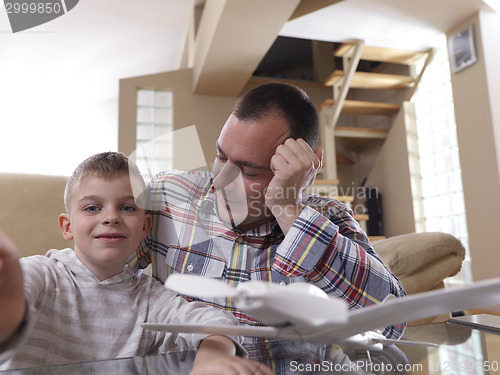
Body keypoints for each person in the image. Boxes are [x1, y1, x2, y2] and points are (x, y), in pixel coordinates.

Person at [128, 82, 406, 344]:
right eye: (221, 156)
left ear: (305, 167)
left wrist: (288, 209)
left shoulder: (329, 217)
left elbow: (392, 326)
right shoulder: (168, 195)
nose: (221, 181)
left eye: (249, 171)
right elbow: (97, 277)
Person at [0, 152, 274, 375]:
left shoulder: (149, 297)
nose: (111, 217)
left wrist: (212, 360)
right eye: (92, 208)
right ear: (67, 226)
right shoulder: (44, 274)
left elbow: (215, 321)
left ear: (145, 227)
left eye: (127, 207)